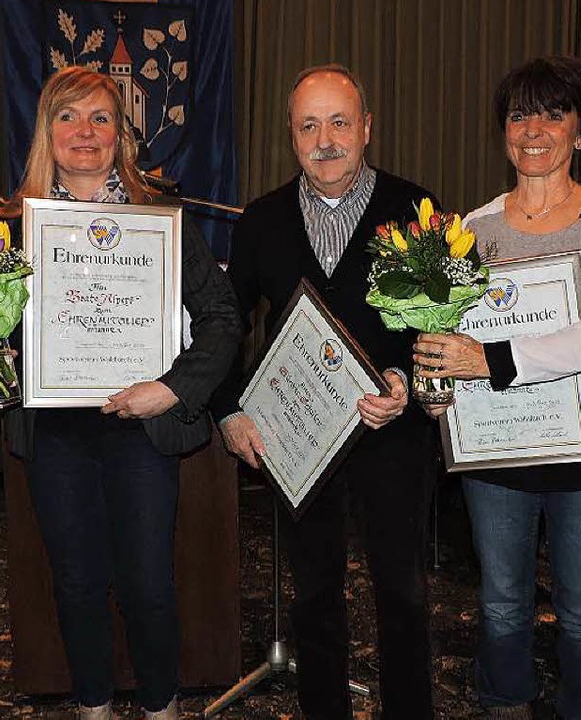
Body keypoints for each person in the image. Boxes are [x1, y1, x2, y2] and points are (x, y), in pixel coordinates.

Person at [0, 66, 241, 720]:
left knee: (149, 586)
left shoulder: (160, 220)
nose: (84, 132)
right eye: (67, 117)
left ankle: (162, 706)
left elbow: (223, 318)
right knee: (76, 586)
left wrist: (171, 389)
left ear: (122, 137)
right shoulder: (10, 230)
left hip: (140, 430)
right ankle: (91, 707)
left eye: (100, 118)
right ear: (45, 133)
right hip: (56, 435)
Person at [209, 64, 439, 720]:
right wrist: (227, 408)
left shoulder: (414, 209)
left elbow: (435, 321)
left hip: (391, 433)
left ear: (366, 128)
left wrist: (405, 380)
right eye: (308, 125)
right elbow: (227, 322)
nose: (325, 138)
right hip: (298, 440)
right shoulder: (260, 220)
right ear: (290, 135)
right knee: (313, 596)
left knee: (403, 593)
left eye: (340, 121)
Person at [414, 55, 581, 720]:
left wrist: (487, 361)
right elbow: (440, 332)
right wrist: (434, 390)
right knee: (501, 601)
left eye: (552, 113)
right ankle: (504, 704)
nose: (532, 129)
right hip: (496, 453)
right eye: (518, 115)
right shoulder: (468, 232)